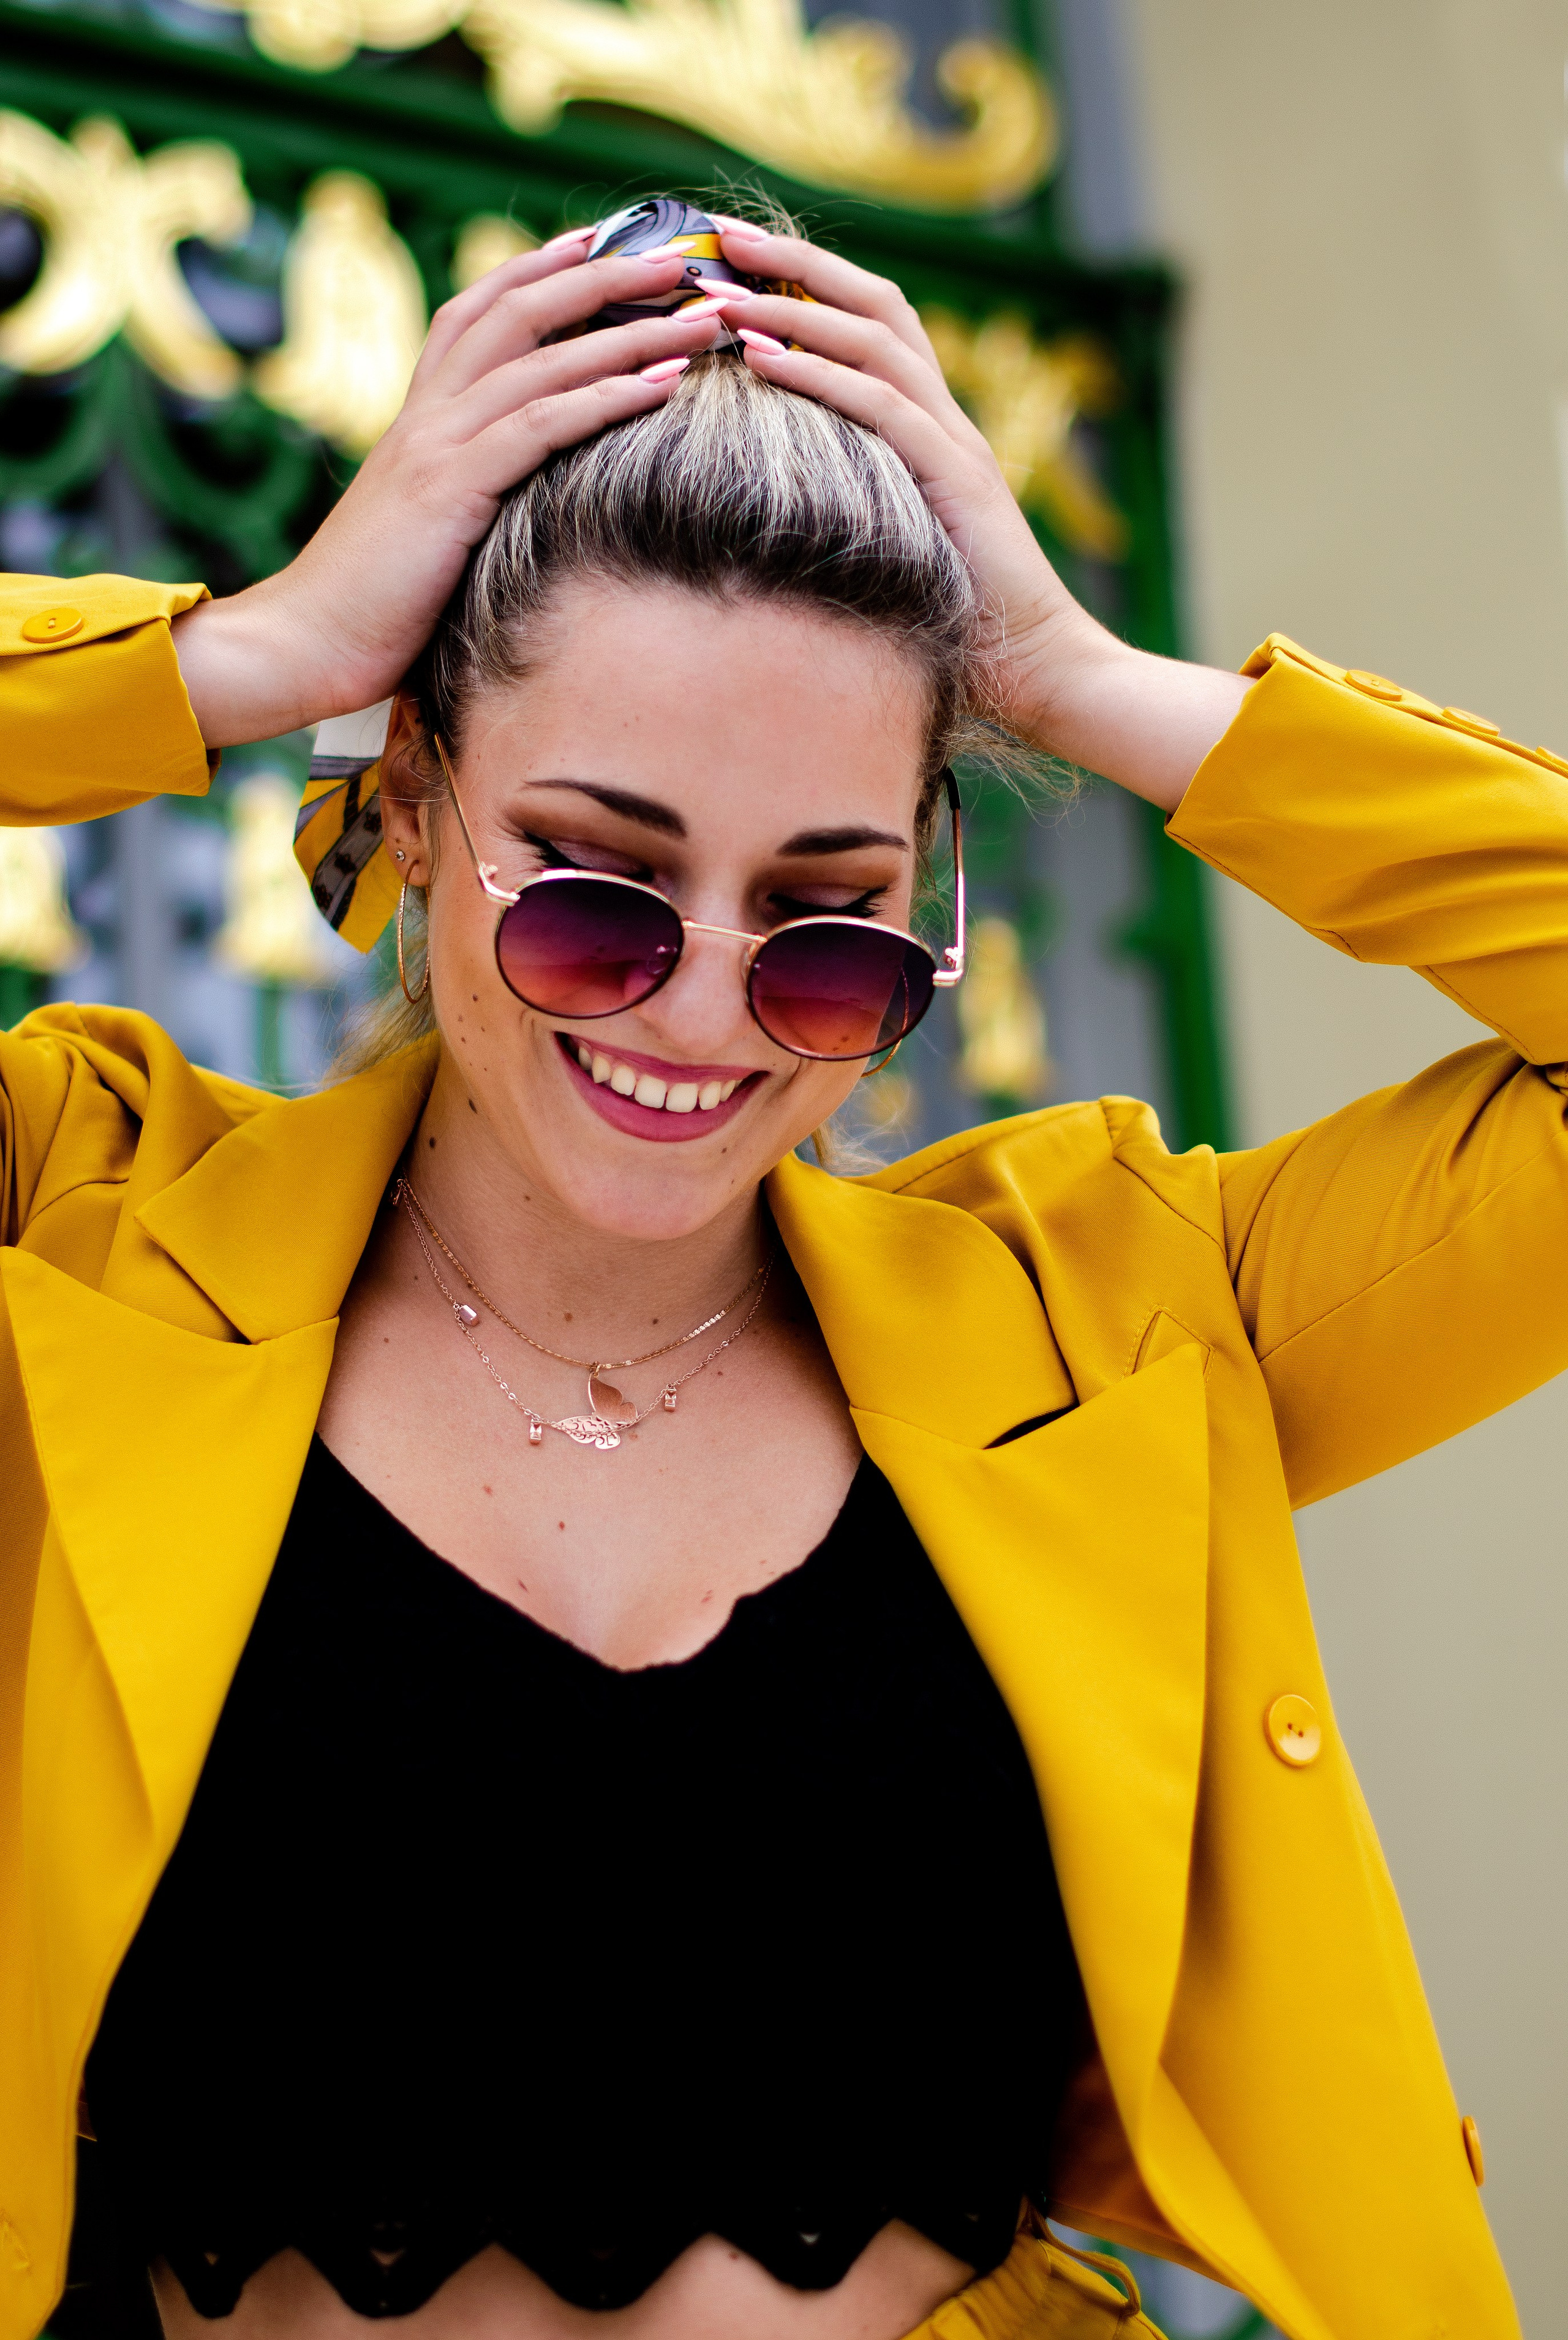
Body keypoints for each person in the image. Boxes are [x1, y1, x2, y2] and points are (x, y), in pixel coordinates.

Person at [1, 200, 1559, 2340]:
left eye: (826, 925)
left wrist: (1082, 680)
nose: (702, 1011)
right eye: (595, 890)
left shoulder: (1120, 1314)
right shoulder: (69, 1238)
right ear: (425, 800)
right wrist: (245, 655)